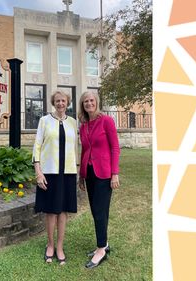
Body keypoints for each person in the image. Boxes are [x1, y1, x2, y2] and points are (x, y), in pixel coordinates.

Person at [33, 90, 78, 265]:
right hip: (49, 172)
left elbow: (75, 148)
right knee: (51, 210)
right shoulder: (44, 121)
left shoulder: (73, 123)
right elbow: (37, 146)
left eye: (63, 101)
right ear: (53, 102)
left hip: (67, 172)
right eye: (57, 101)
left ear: (68, 103)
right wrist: (38, 172)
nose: (60, 103)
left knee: (64, 210)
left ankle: (60, 246)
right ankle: (50, 245)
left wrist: (77, 169)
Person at [77, 90, 120, 269]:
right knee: (97, 211)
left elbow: (115, 148)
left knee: (100, 211)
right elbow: (85, 150)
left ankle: (101, 249)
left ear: (97, 102)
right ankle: (104, 244)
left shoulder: (107, 121)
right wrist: (81, 176)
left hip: (104, 173)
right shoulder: (83, 126)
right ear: (83, 105)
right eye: (85, 101)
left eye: (91, 100)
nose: (89, 103)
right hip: (89, 173)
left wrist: (115, 173)